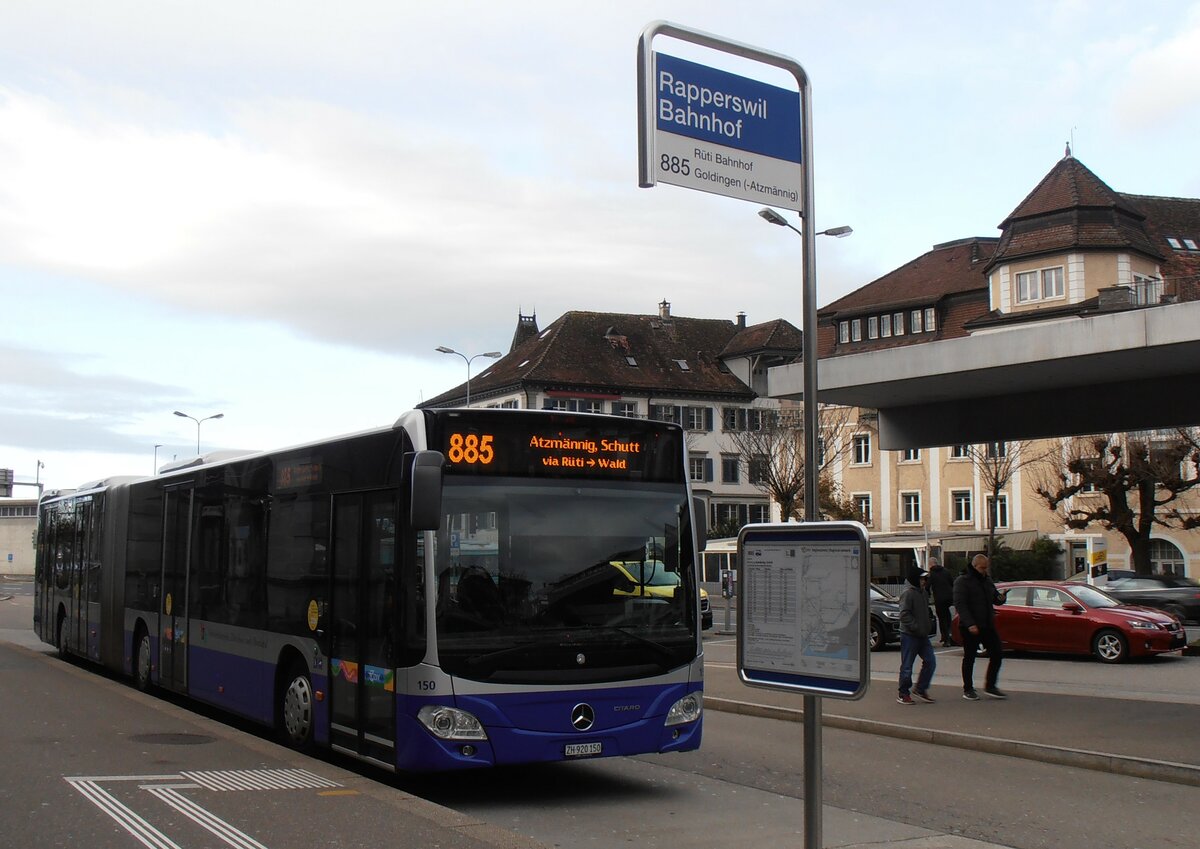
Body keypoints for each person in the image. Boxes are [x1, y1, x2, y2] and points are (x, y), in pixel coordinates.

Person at [953, 553, 1009, 700]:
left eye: (986, 568)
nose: (984, 571)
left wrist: (1001, 598)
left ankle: (990, 686)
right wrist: (970, 623)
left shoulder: (987, 580)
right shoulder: (963, 581)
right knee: (970, 657)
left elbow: (995, 599)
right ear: (974, 565)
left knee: (997, 654)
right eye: (982, 568)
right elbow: (960, 604)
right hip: (969, 626)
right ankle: (968, 688)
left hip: (987, 624)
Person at [897, 564, 937, 705]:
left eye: (925, 579)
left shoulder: (923, 592)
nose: (924, 582)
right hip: (910, 635)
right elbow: (904, 614)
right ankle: (903, 693)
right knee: (907, 665)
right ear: (915, 579)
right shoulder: (908, 593)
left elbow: (925, 611)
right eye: (921, 579)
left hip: (922, 635)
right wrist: (916, 627)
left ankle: (920, 688)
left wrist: (927, 625)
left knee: (930, 662)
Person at [926, 557, 955, 646]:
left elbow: (927, 586)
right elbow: (952, 582)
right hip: (949, 597)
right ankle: (950, 635)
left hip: (939, 598)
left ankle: (946, 639)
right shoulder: (946, 571)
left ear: (930, 564)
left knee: (942, 619)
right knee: (947, 616)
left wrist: (927, 595)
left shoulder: (931, 574)